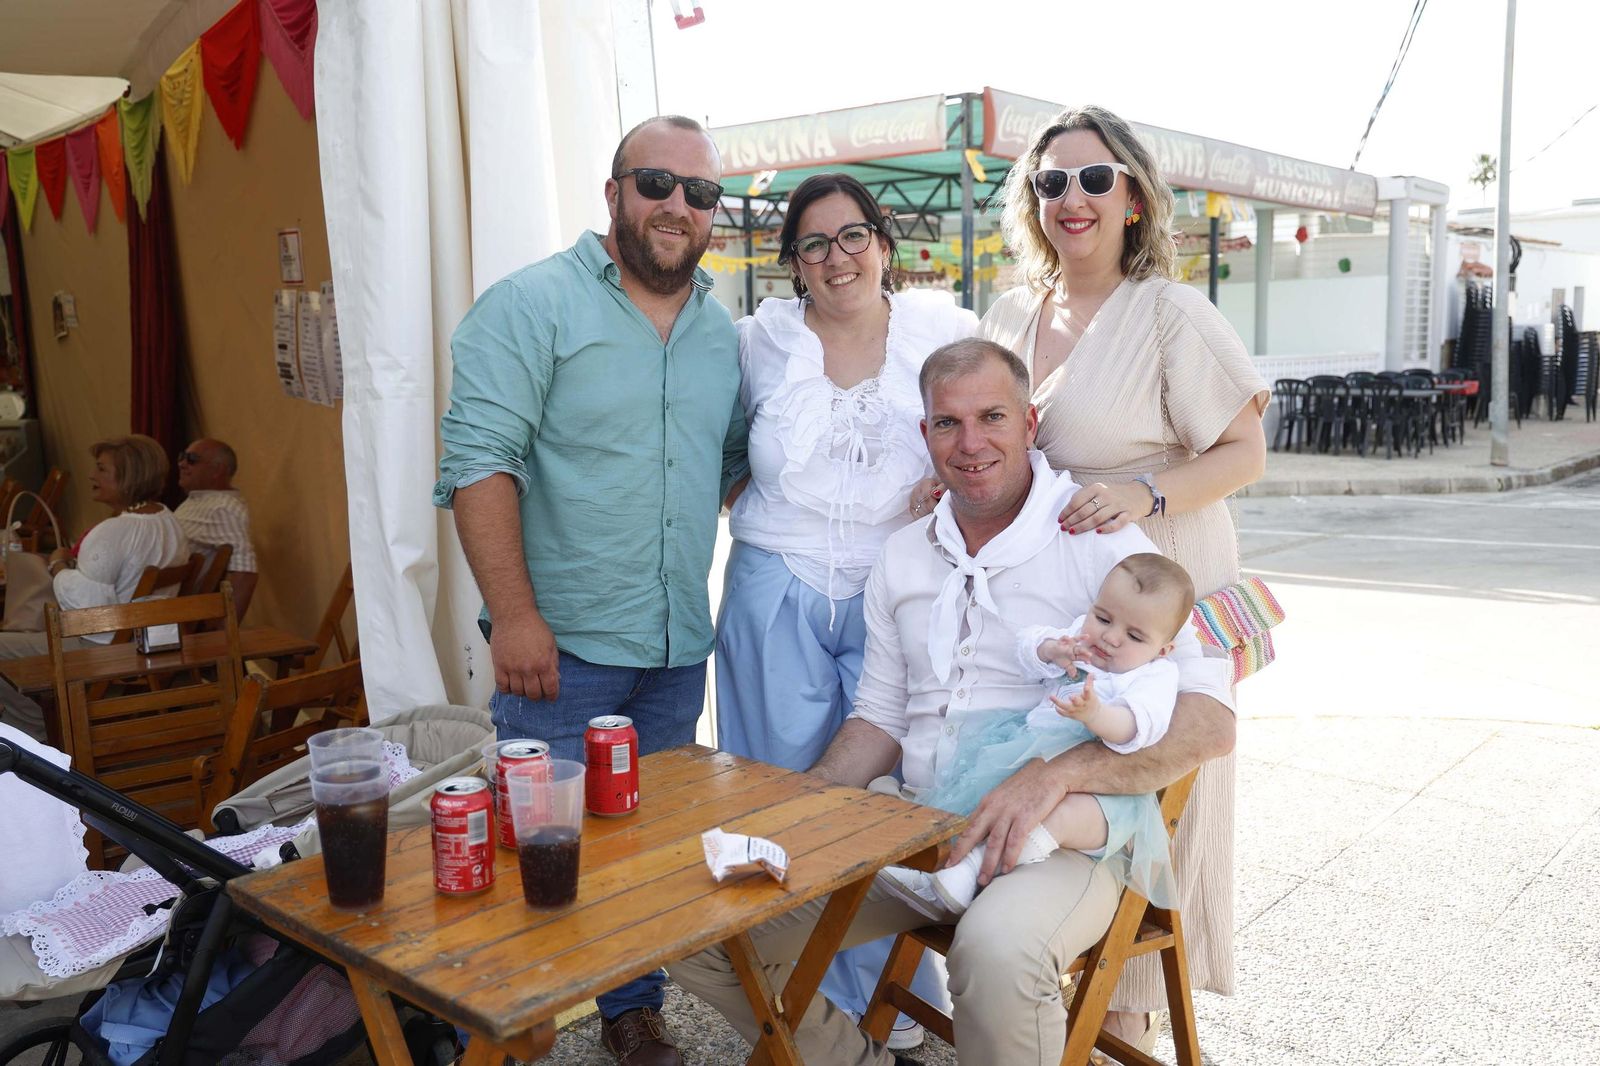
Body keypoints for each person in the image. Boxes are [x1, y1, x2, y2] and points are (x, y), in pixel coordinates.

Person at [669, 339, 1235, 1065]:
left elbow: (1209, 721)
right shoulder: (904, 553)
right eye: (947, 423)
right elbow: (877, 716)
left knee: (996, 952)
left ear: (1030, 423)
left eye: (992, 417)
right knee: (704, 928)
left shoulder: (1098, 542)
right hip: (913, 824)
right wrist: (798, 809)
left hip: (1051, 841)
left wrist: (1055, 777)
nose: (971, 444)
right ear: (924, 433)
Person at [910, 103, 1269, 1047]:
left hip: (1163, 580)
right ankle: (1039, 981)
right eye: (1053, 181)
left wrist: (1142, 493)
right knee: (1069, 763)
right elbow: (993, 430)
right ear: (1032, 200)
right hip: (1073, 589)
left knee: (1153, 777)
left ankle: (1129, 1015)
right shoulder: (1014, 311)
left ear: (1135, 198)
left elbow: (1245, 450)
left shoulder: (1167, 312)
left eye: (1096, 178)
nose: (1075, 198)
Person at [433, 115, 746, 1066]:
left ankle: (631, 1009)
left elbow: (726, 464)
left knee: (643, 849)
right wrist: (516, 615)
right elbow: (479, 462)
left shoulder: (719, 333)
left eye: (700, 195)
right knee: (541, 855)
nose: (677, 207)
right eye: (657, 184)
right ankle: (505, 1031)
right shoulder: (531, 304)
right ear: (613, 194)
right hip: (556, 652)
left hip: (672, 647)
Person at [714, 173, 976, 1038]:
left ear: (885, 243)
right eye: (815, 244)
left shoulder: (944, 330)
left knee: (888, 796)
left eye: (853, 235)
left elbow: (996, 432)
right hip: (774, 584)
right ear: (793, 263)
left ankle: (894, 1007)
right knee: (783, 794)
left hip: (895, 588)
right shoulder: (756, 341)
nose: (837, 257)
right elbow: (711, 448)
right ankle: (805, 1011)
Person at [881, 551, 1193, 918]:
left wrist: (1097, 715)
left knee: (1054, 817)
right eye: (1103, 617)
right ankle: (942, 872)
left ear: (1163, 649)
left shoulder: (1154, 675)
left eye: (1134, 635)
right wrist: (1053, 650)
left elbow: (1138, 727)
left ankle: (965, 876)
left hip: (1100, 783)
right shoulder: (1081, 636)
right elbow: (1029, 644)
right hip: (1033, 750)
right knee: (985, 797)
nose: (1109, 637)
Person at [0, 435, 189, 741]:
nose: (92, 475)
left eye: (101, 469)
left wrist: (58, 564)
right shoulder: (168, 519)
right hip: (150, 638)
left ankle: (35, 732)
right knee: (22, 639)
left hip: (109, 646)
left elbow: (89, 615)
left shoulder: (115, 530)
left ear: (127, 476)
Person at [173, 438, 259, 618]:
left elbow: (245, 573)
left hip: (172, 613)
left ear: (218, 470)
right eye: (182, 456)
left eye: (192, 459)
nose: (182, 463)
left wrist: (224, 634)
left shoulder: (224, 507)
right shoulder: (201, 500)